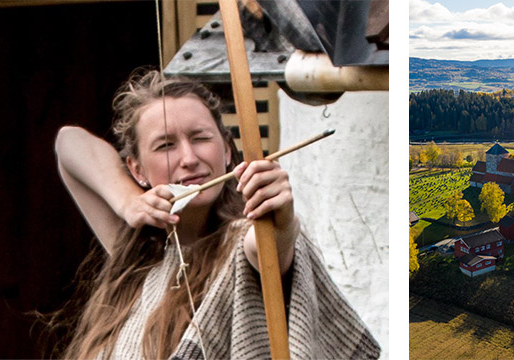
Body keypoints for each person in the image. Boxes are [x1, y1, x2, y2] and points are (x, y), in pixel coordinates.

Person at [54, 69, 379, 359]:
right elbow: (69, 142)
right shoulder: (142, 256)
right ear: (136, 169)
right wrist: (127, 203)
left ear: (226, 149)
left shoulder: (243, 242)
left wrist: (280, 216)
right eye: (165, 145)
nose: (189, 158)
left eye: (200, 138)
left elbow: (266, 246)